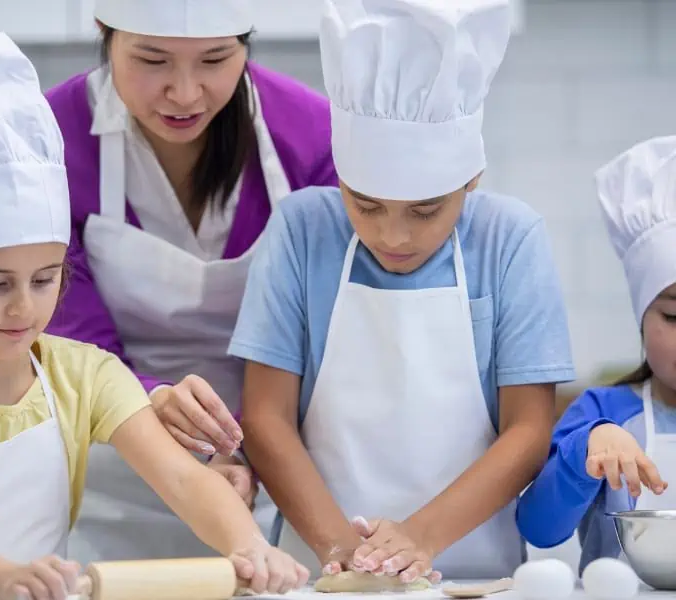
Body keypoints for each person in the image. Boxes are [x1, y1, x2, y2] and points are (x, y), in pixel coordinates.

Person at [0, 33, 309, 600]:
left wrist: (246, 543)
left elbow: (182, 477)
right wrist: (2, 577)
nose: (23, 307)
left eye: (45, 278)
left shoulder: (85, 376)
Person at [229, 0, 577, 583]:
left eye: (425, 210)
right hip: (321, 573)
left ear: (471, 177)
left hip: (472, 578)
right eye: (365, 204)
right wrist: (345, 553)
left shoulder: (509, 239)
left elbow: (528, 430)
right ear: (339, 174)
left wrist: (419, 539)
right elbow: (265, 418)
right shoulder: (300, 230)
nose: (393, 235)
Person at [44, 0, 336, 562]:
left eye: (215, 60)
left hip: (278, 467)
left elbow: (324, 334)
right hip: (112, 463)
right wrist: (152, 402)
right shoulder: (49, 137)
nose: (184, 93)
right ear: (105, 31)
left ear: (246, 44)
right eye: (153, 60)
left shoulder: (312, 134)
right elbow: (68, 340)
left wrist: (249, 447)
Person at [516, 135, 676, 575]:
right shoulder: (604, 411)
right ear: (641, 317)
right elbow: (539, 528)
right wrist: (583, 452)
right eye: (675, 316)